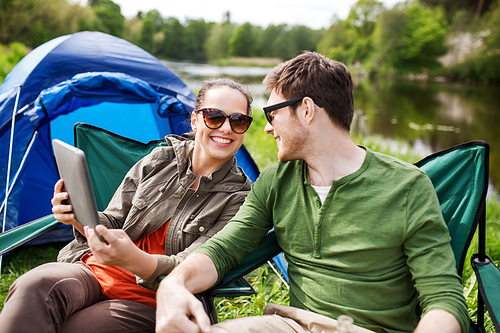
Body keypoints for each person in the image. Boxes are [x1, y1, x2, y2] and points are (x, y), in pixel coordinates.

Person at [155, 52, 470, 333]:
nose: (266, 127)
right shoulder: (276, 182)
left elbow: (443, 299)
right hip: (293, 325)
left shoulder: (408, 187)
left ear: (306, 110)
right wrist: (174, 283)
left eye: (272, 113)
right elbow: (223, 250)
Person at [0, 78, 254, 333]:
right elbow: (112, 221)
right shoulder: (158, 160)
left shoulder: (240, 198)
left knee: (74, 327)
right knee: (33, 286)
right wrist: (77, 215)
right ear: (195, 119)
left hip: (150, 299)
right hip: (95, 270)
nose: (226, 128)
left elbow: (191, 267)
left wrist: (133, 259)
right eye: (214, 117)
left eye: (238, 120)